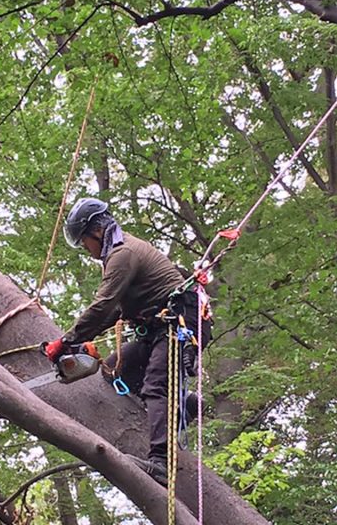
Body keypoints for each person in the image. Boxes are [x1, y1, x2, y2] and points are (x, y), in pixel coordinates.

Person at [44, 197, 211, 485]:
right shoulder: (117, 252)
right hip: (157, 326)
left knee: (155, 386)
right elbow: (118, 312)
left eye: (84, 241)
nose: (86, 249)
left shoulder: (123, 254)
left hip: (179, 324)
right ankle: (185, 403)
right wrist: (78, 343)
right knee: (114, 372)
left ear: (96, 232)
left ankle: (160, 464)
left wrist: (66, 340)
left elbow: (104, 305)